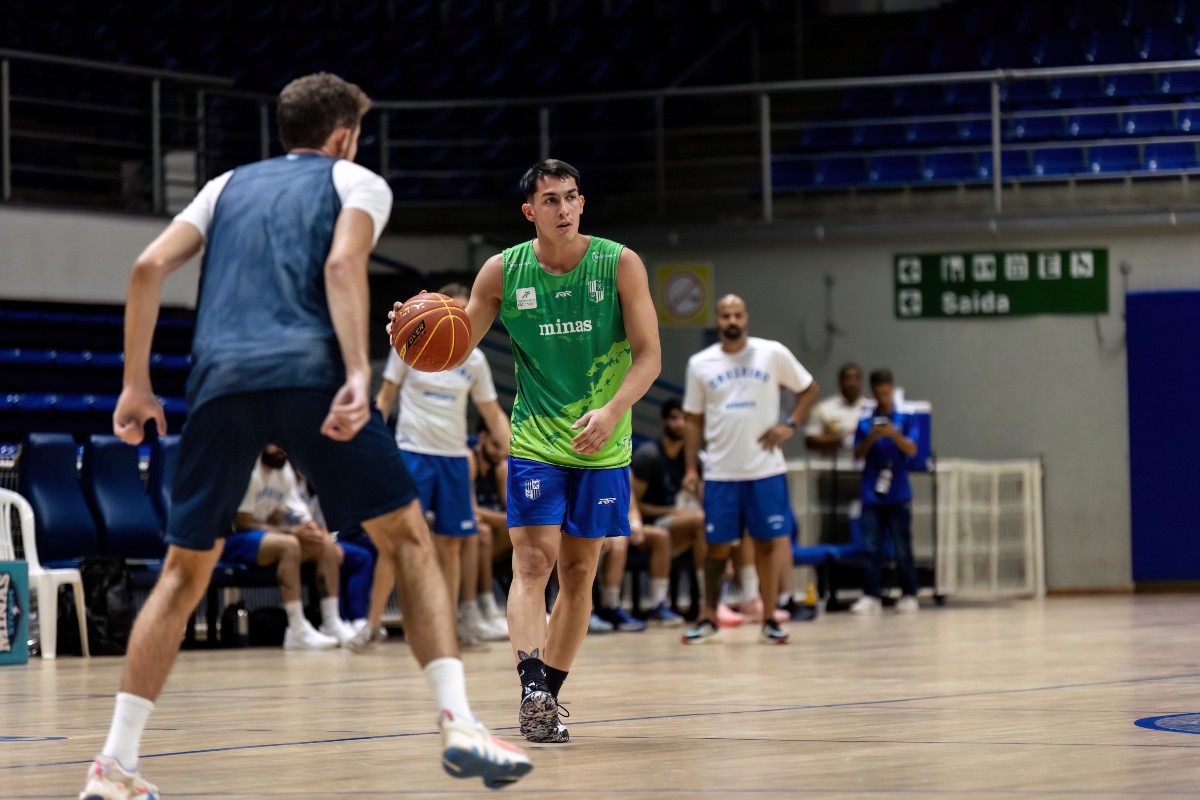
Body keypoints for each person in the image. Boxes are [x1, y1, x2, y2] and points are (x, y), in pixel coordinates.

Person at [81, 73, 530, 800]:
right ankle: (458, 725)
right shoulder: (356, 180)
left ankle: (112, 766)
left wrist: (136, 385)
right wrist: (359, 370)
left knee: (181, 573)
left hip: (219, 379)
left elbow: (147, 267)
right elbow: (343, 263)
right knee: (410, 541)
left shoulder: (224, 185)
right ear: (344, 135)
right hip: (310, 375)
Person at [395, 158, 660, 744]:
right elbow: (455, 343)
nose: (563, 209)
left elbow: (649, 357)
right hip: (537, 438)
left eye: (571, 198)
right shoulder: (503, 271)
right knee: (533, 562)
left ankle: (547, 699)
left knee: (580, 571)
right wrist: (410, 327)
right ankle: (531, 683)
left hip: (603, 438)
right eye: (550, 200)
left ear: (582, 203)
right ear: (529, 211)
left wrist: (613, 411)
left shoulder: (620, 263)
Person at [374, 282, 511, 646]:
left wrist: (518, 452)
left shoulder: (475, 360)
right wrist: (370, 446)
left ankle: (446, 624)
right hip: (411, 451)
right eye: (455, 310)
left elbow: (492, 414)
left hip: (452, 457)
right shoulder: (409, 343)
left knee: (451, 544)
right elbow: (385, 398)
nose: (461, 319)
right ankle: (369, 623)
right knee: (401, 539)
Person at [680, 294, 819, 646]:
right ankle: (709, 617)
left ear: (746, 318)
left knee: (768, 545)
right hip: (721, 472)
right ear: (717, 320)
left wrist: (790, 423)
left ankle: (770, 617)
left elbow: (809, 389)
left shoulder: (771, 353)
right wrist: (691, 467)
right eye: (725, 315)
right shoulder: (700, 363)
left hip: (765, 469)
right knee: (717, 547)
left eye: (737, 315)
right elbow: (693, 420)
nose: (732, 321)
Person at [223, 443, 372, 650]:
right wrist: (291, 532)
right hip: (232, 539)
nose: (280, 450)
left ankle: (331, 622)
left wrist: (304, 531)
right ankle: (296, 628)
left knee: (323, 542)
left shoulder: (284, 474)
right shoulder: (251, 470)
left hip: (263, 537)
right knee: (289, 545)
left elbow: (275, 520)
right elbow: (243, 523)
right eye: (274, 445)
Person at [850, 368, 921, 615]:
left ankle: (909, 593)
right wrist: (871, 437)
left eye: (887, 391)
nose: (883, 396)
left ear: (892, 389)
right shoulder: (864, 422)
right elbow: (856, 455)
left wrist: (893, 433)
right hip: (871, 493)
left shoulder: (907, 418)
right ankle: (871, 595)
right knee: (871, 546)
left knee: (902, 546)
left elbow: (912, 449)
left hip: (898, 492)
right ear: (873, 393)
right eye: (878, 392)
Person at [630, 398, 704, 623]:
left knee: (716, 527)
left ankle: (710, 601)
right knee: (700, 522)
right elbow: (635, 504)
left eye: (685, 418)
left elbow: (703, 499)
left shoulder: (691, 458)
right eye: (674, 418)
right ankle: (661, 604)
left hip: (678, 524)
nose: (680, 423)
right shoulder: (648, 456)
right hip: (648, 524)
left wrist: (695, 487)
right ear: (664, 422)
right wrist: (671, 511)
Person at [469, 419, 511, 632]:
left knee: (529, 531)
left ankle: (542, 605)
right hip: (469, 537)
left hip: (493, 538)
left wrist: (499, 519)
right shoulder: (469, 461)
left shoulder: (501, 468)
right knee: (482, 532)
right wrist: (502, 519)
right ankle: (487, 606)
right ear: (482, 437)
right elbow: (470, 510)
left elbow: (512, 512)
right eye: (496, 445)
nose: (499, 453)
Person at [805, 363, 874, 457]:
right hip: (834, 465)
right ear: (840, 382)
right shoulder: (824, 409)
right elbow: (810, 441)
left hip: (866, 466)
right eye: (848, 378)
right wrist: (839, 439)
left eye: (856, 378)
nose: (852, 383)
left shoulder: (872, 408)